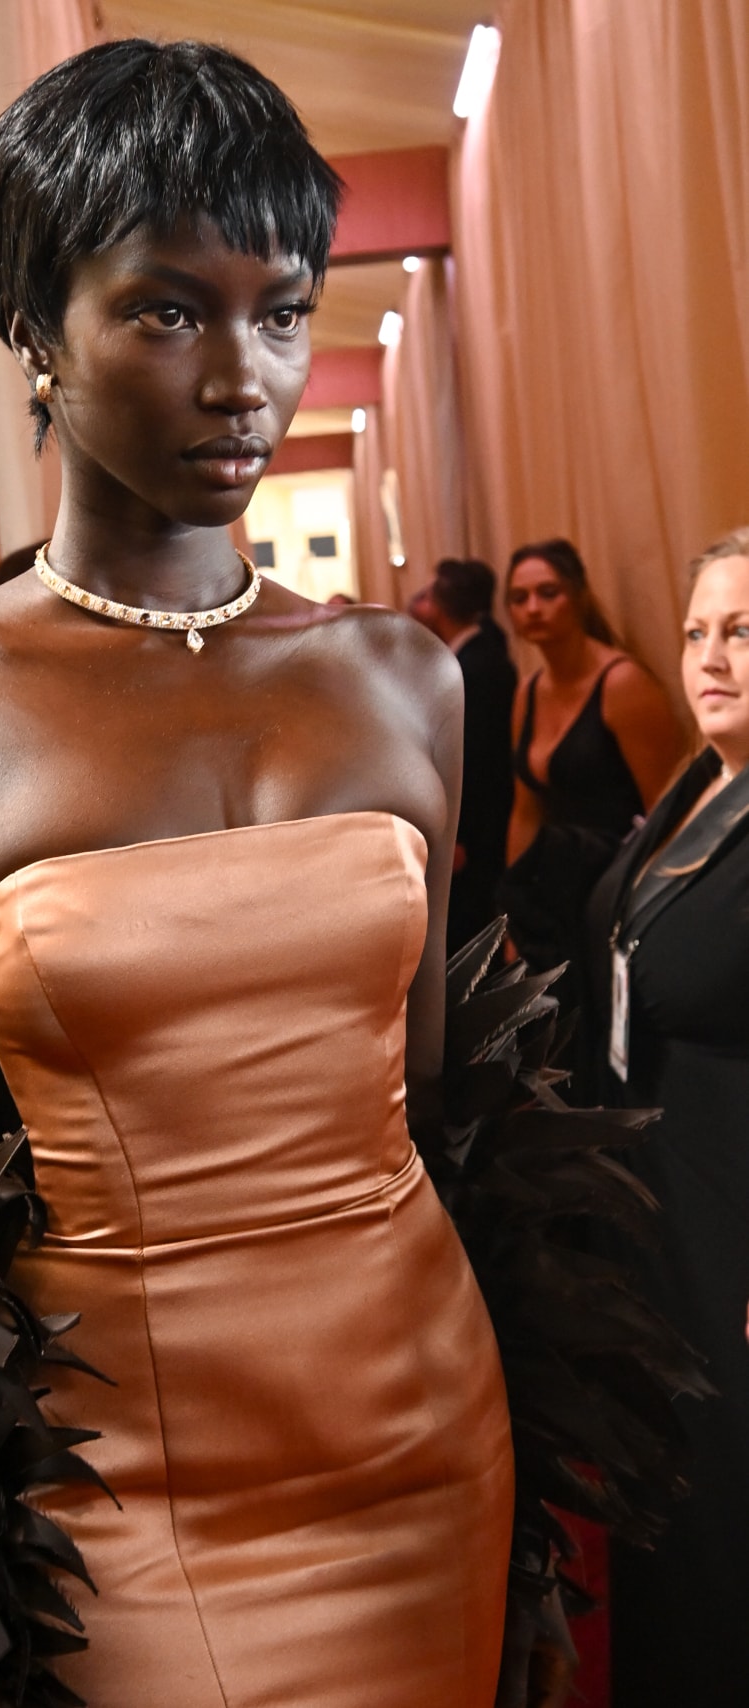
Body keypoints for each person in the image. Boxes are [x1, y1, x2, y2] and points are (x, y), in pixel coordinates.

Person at [0, 41, 524, 1708]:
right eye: (166, 311)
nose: (242, 373)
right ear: (34, 326)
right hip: (121, 1482)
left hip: (425, 1422)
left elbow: (422, 1080)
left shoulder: (402, 675)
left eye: (276, 309)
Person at [587, 526, 749, 1708]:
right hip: (660, 1228)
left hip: (732, 1229)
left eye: (742, 632)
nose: (711, 658)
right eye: (696, 631)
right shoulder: (699, 783)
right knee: (672, 1518)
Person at [500, 538, 682, 986]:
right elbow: (526, 811)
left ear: (579, 596)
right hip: (556, 894)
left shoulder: (622, 684)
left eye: (548, 592)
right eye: (519, 598)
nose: (533, 608)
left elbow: (669, 811)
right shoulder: (528, 691)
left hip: (615, 893)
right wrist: (513, 915)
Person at [426, 558, 517, 953]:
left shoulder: (475, 664)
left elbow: (476, 759)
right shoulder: (477, 654)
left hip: (477, 829)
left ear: (439, 605)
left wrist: (461, 835)